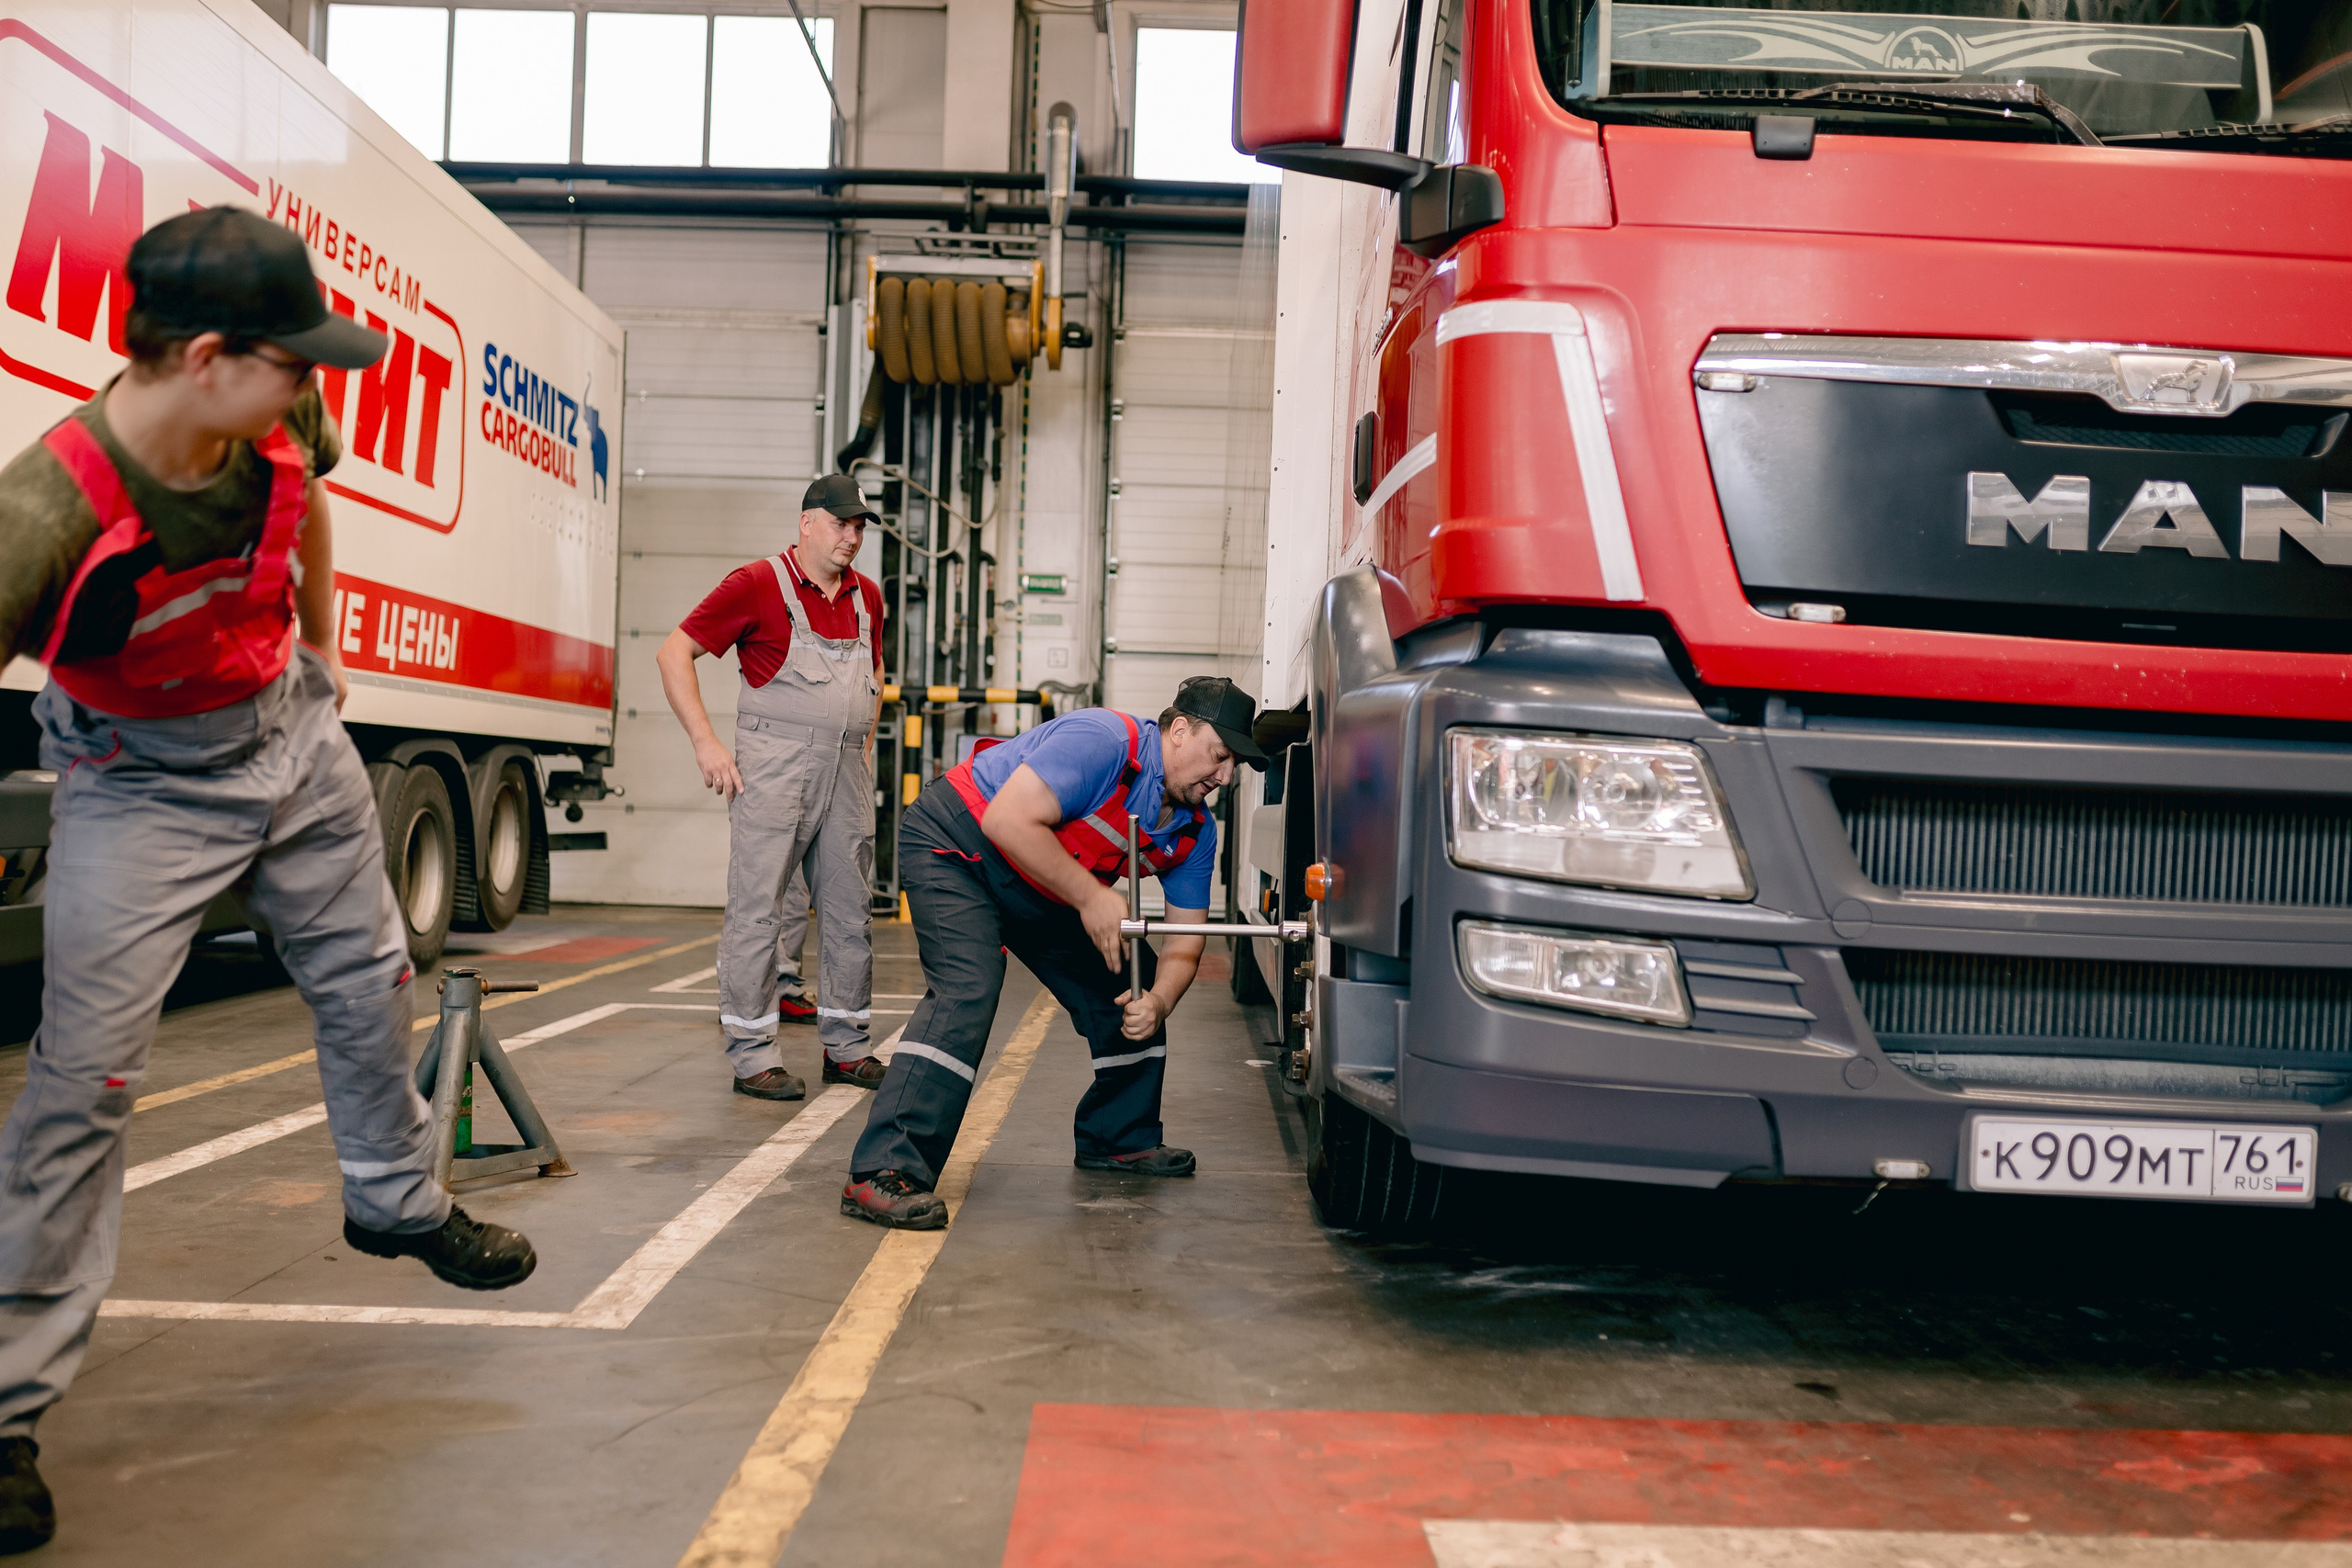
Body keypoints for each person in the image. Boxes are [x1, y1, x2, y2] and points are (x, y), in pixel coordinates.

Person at [0, 208, 536, 1553]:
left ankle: (393, 1200)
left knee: (367, 977)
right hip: (140, 783)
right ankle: (6, 1408)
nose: (314, 378)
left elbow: (311, 509)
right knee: (85, 1083)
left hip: (294, 740)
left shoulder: (278, 423)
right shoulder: (43, 511)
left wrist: (325, 647)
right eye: (289, 356)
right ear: (201, 356)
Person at [842, 676, 1265, 1230]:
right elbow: (1007, 820)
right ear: (1180, 731)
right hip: (959, 844)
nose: (1225, 776)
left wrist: (1159, 1000)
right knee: (969, 987)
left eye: (1233, 765)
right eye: (1220, 756)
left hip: (1042, 879)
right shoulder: (1104, 742)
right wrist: (1092, 894)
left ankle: (1117, 1139)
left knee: (1127, 986)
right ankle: (881, 1171)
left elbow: (1185, 942)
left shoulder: (1193, 831)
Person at [656, 476, 888, 1100]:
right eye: (841, 523)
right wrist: (706, 741)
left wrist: (861, 739)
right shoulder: (757, 583)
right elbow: (674, 652)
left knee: (848, 909)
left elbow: (876, 669)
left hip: (845, 769)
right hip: (777, 766)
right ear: (808, 522)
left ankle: (847, 1046)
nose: (852, 536)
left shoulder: (867, 595)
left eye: (859, 526)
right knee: (758, 910)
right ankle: (753, 1053)